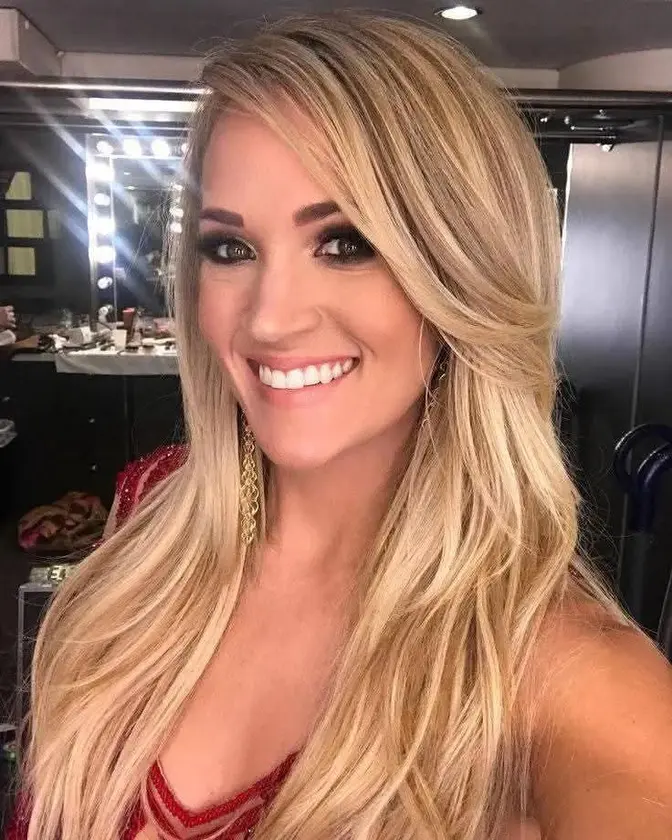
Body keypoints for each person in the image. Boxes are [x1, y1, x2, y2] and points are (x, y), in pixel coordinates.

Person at [8, 12, 672, 840]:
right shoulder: (152, 511)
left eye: (346, 242)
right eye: (230, 249)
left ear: (463, 271)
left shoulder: (560, 672)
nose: (270, 319)